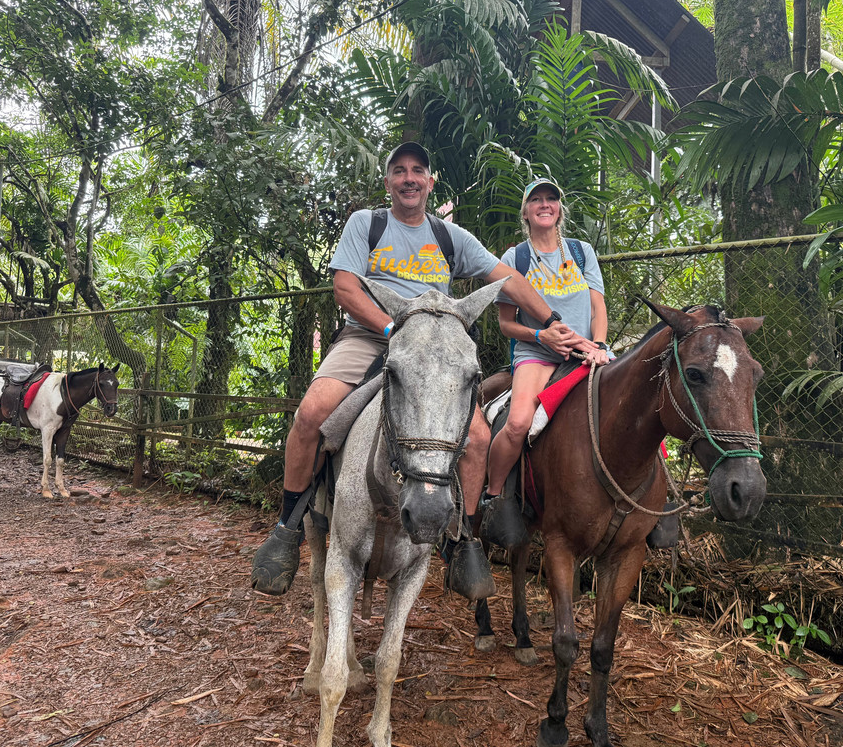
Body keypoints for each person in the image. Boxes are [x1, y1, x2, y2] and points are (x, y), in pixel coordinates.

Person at [251, 144, 594, 598]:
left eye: (418, 170)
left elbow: (508, 279)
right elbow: (345, 288)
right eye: (399, 171)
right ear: (388, 182)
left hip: (433, 352)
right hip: (370, 336)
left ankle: (463, 540)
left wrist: (552, 322)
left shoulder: (449, 236)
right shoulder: (367, 224)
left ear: (430, 183)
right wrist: (392, 327)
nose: (409, 178)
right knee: (311, 414)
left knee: (477, 438)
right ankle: (287, 526)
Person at [480, 177, 612, 547]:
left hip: (586, 352)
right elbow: (507, 325)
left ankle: (654, 506)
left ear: (559, 209)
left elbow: (598, 307)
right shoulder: (515, 258)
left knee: (632, 401)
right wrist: (541, 336)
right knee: (518, 423)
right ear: (525, 212)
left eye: (551, 198)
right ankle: (494, 497)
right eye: (536, 199)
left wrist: (599, 345)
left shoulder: (582, 252)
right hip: (536, 354)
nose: (544, 204)